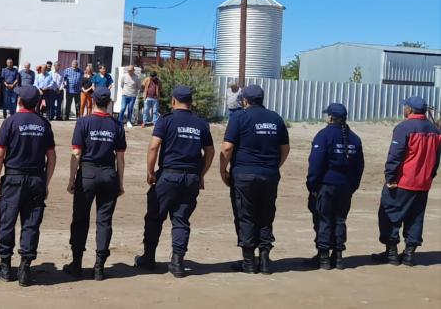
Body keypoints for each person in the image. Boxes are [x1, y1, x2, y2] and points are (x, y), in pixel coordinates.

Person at [134, 86, 214, 278]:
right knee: (181, 219)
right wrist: (201, 174)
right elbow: (210, 151)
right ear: (191, 102)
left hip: (169, 175)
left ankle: (149, 258)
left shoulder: (166, 120)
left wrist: (150, 172)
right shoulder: (201, 123)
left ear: (173, 101)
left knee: (155, 217)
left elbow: (153, 147)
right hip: (191, 178)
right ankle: (177, 263)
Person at [219, 84, 290, 274]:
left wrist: (223, 170)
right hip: (269, 175)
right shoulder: (275, 118)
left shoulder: (239, 117)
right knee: (266, 215)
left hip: (244, 174)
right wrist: (274, 166)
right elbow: (285, 148)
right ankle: (265, 261)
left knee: (246, 215)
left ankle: (249, 262)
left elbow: (227, 148)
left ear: (245, 100)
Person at [0, 86, 57, 286]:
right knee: (31, 223)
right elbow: (52, 157)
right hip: (36, 179)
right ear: (37, 103)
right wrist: (46, 181)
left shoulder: (10, 122)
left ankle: (5, 266)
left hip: (13, 178)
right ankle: (25, 267)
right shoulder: (44, 124)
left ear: (19, 101)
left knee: (7, 221)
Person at [64, 87, 126, 281]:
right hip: (108, 174)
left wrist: (71, 179)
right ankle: (99, 266)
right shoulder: (117, 125)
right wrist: (120, 182)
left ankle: (76, 265)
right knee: (104, 221)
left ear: (93, 101)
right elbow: (120, 158)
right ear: (108, 103)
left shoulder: (83, 122)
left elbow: (76, 153)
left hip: (88, 174)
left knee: (80, 219)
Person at [371, 96, 440, 267]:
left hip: (403, 181)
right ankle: (409, 254)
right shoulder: (435, 130)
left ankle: (392, 253)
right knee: (415, 218)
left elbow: (395, 154)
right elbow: (436, 159)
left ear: (410, 109)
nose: (404, 109)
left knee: (389, 214)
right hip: (422, 184)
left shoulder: (404, 127)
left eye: (405, 107)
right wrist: (429, 176)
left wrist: (390, 177)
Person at [306, 103, 364, 270]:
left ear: (331, 117)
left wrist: (312, 185)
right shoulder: (355, 138)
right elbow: (359, 166)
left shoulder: (324, 135)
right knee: (340, 220)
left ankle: (324, 257)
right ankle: (338, 257)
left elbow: (316, 163)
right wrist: (352, 186)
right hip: (345, 186)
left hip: (326, 185)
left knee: (324, 220)